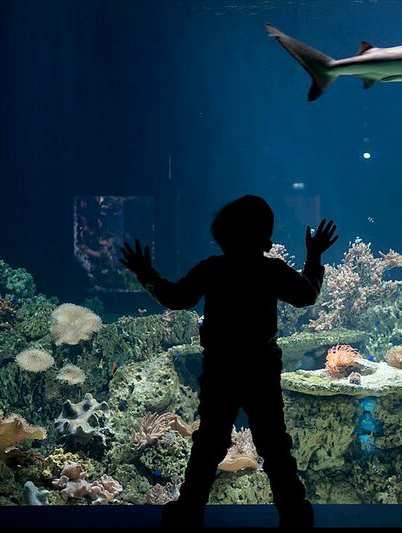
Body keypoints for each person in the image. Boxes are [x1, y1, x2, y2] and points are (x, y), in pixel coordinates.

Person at [119, 194, 338, 528]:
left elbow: (176, 297)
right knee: (274, 444)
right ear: (266, 238)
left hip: (220, 369)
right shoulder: (270, 270)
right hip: (261, 368)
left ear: (222, 235)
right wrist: (314, 255)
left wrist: (145, 272)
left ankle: (188, 512)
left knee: (210, 442)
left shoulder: (213, 268)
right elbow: (306, 294)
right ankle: (295, 512)